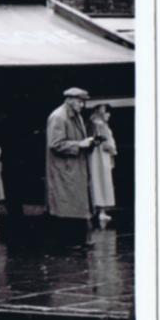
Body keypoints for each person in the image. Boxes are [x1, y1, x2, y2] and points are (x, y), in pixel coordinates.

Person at [46, 87, 96, 247]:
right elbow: (55, 143)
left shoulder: (75, 116)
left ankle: (79, 240)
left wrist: (89, 143)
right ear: (70, 100)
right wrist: (80, 144)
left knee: (77, 203)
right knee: (68, 204)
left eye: (83, 102)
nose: (82, 105)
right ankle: (71, 241)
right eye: (80, 101)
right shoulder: (59, 117)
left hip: (74, 167)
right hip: (65, 169)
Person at [88, 103, 117, 225]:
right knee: (101, 181)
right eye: (105, 112)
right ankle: (101, 212)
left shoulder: (96, 124)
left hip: (98, 156)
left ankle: (99, 211)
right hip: (100, 157)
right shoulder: (99, 125)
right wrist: (113, 151)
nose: (108, 115)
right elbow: (107, 143)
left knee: (97, 181)